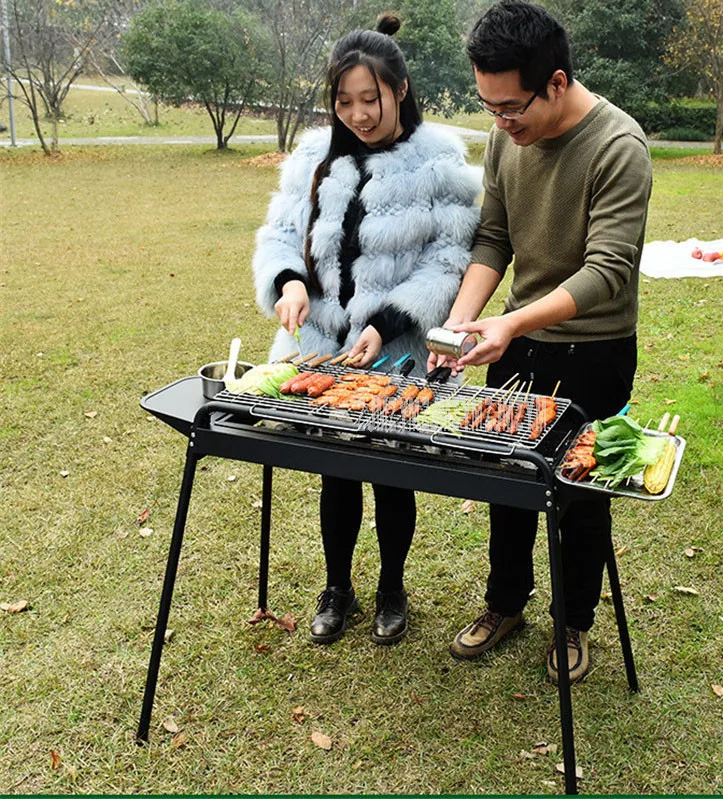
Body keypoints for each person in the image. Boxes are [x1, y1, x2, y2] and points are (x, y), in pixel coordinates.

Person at [429, 0, 652, 683]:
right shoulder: (507, 139)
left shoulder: (619, 147)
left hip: (594, 346)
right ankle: (505, 602)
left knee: (578, 491)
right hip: (517, 339)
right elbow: (493, 237)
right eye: (488, 107)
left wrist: (514, 321)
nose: (500, 122)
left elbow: (607, 272)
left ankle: (574, 619)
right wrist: (462, 322)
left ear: (556, 82)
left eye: (510, 106)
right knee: (508, 479)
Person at [252, 14, 480, 647]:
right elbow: (277, 235)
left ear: (399, 88)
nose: (358, 113)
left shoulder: (439, 164)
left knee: (393, 473)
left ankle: (391, 586)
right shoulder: (311, 157)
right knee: (336, 473)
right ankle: (338, 586)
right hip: (323, 352)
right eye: (344, 101)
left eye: (369, 99)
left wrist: (387, 323)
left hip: (396, 353)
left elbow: (449, 263)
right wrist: (289, 281)